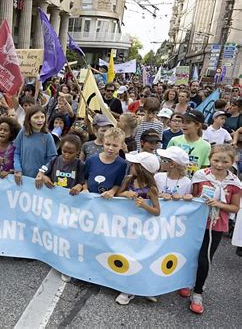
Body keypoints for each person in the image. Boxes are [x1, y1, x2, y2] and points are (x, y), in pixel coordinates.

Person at [179, 145, 241, 314]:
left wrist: (219, 204)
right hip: (195, 222)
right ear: (210, 158)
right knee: (190, 254)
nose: (219, 165)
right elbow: (192, 196)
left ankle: (198, 292)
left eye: (225, 161)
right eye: (216, 160)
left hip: (216, 225)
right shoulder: (200, 176)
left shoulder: (234, 183)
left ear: (232, 161)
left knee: (205, 258)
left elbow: (235, 207)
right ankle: (187, 282)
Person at [115, 151, 161, 304]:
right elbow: (119, 193)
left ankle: (132, 289)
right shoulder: (128, 180)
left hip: (143, 229)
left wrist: (144, 206)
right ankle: (126, 284)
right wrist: (125, 194)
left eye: (135, 165)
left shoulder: (151, 189)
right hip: (125, 225)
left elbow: (157, 211)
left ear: (142, 169)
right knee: (125, 253)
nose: (131, 166)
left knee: (140, 256)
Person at [13, 105, 57, 185]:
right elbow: (17, 152)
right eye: (36, 117)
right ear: (29, 119)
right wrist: (18, 169)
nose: (40, 120)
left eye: (42, 117)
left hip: (39, 179)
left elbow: (52, 158)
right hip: (22, 177)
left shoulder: (48, 136)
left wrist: (42, 172)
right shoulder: (23, 132)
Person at [81, 127, 127, 198]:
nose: (110, 148)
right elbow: (85, 178)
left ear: (121, 146)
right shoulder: (91, 160)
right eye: (108, 144)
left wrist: (112, 191)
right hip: (88, 199)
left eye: (115, 145)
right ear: (103, 142)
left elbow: (118, 183)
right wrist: (85, 189)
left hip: (106, 201)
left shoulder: (122, 164)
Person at [167, 110, 211, 177]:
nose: (183, 125)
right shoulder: (174, 140)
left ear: (198, 125)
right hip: (173, 180)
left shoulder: (206, 146)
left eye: (188, 122)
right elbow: (166, 162)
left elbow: (204, 169)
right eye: (183, 122)